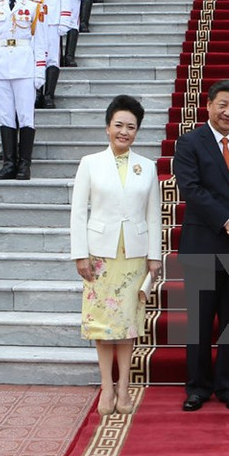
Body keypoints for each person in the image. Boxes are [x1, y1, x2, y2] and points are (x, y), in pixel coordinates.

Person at [173, 80, 229, 412]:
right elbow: (192, 190)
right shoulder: (189, 143)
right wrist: (227, 221)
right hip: (203, 246)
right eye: (223, 104)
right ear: (209, 105)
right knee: (199, 323)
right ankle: (197, 387)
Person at [71, 95, 162, 415]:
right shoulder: (90, 163)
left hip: (134, 255)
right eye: (119, 125)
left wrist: (155, 256)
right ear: (108, 127)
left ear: (137, 131)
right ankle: (106, 388)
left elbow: (153, 216)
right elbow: (78, 212)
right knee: (102, 324)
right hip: (99, 255)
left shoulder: (147, 166)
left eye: (131, 127)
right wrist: (80, 254)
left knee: (127, 325)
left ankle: (124, 388)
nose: (124, 132)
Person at [0, 0, 47, 181]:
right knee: (5, 116)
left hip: (24, 64)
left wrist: (40, 71)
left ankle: (24, 165)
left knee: (25, 116)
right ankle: (9, 164)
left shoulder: (34, 4)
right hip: (2, 65)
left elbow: (40, 41)